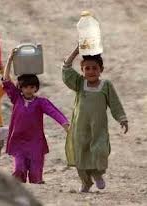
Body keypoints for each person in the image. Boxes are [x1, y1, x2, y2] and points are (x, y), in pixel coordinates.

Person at [62, 45, 128, 192]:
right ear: (82, 70)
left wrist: (122, 118)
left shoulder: (106, 85)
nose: (91, 71)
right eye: (87, 68)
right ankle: (86, 182)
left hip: (99, 129)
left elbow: (115, 103)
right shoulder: (79, 83)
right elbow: (66, 71)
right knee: (81, 155)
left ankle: (97, 174)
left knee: (100, 151)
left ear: (101, 70)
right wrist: (75, 51)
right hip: (80, 129)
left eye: (94, 68)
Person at [2, 49, 69, 184]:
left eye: (32, 87)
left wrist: (65, 124)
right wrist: (9, 60)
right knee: (18, 169)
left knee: (35, 174)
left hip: (35, 143)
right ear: (20, 87)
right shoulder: (16, 98)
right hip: (18, 141)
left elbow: (54, 112)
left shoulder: (41, 102)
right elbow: (6, 80)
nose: (28, 90)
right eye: (25, 87)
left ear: (36, 88)